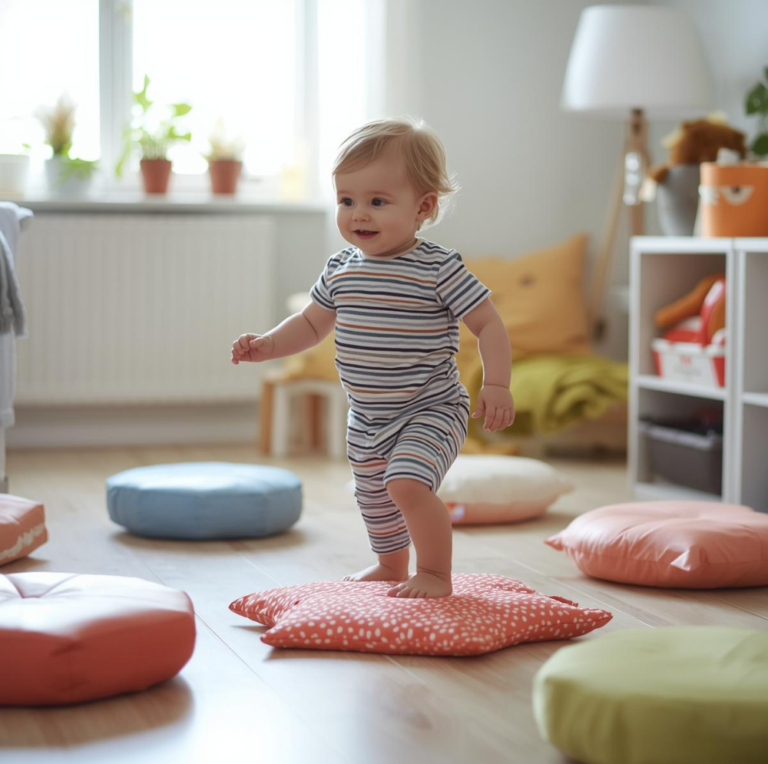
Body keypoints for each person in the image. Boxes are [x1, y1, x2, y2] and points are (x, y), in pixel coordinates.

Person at [232, 117, 514, 598]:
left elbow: (488, 323)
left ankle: (435, 574)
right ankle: (389, 564)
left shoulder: (439, 267)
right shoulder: (341, 269)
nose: (358, 214)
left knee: (406, 484)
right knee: (375, 497)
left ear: (423, 207)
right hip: (366, 417)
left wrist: (497, 384)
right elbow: (310, 325)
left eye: (377, 202)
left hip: (431, 408)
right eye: (347, 201)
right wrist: (269, 345)